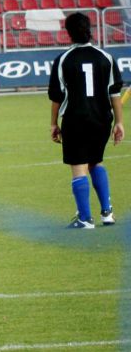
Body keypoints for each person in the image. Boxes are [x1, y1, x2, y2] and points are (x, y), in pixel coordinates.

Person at [49, 12, 124, 229]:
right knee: (96, 162)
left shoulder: (63, 60)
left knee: (79, 167)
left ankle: (84, 218)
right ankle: (107, 213)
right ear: (90, 29)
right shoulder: (105, 58)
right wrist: (119, 122)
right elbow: (115, 93)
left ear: (68, 33)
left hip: (75, 119)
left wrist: (53, 123)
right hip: (102, 120)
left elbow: (57, 96)